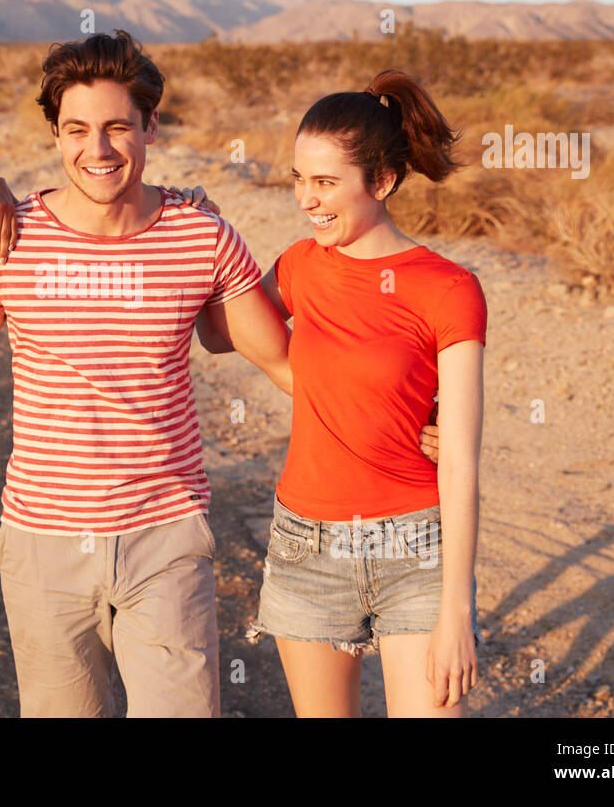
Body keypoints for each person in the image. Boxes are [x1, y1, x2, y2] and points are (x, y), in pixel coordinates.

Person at [0, 31, 438, 717]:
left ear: (151, 125)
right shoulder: (13, 236)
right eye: (77, 130)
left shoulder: (200, 235)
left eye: (118, 127)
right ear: (56, 134)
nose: (96, 150)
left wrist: (411, 425)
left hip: (167, 536)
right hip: (43, 542)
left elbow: (281, 359)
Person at [204, 69, 486, 717]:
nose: (307, 199)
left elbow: (463, 459)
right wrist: (209, 245)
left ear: (382, 182)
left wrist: (457, 610)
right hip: (308, 545)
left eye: (326, 182)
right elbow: (220, 333)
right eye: (300, 178)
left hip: (413, 544)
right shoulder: (302, 265)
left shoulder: (449, 288)